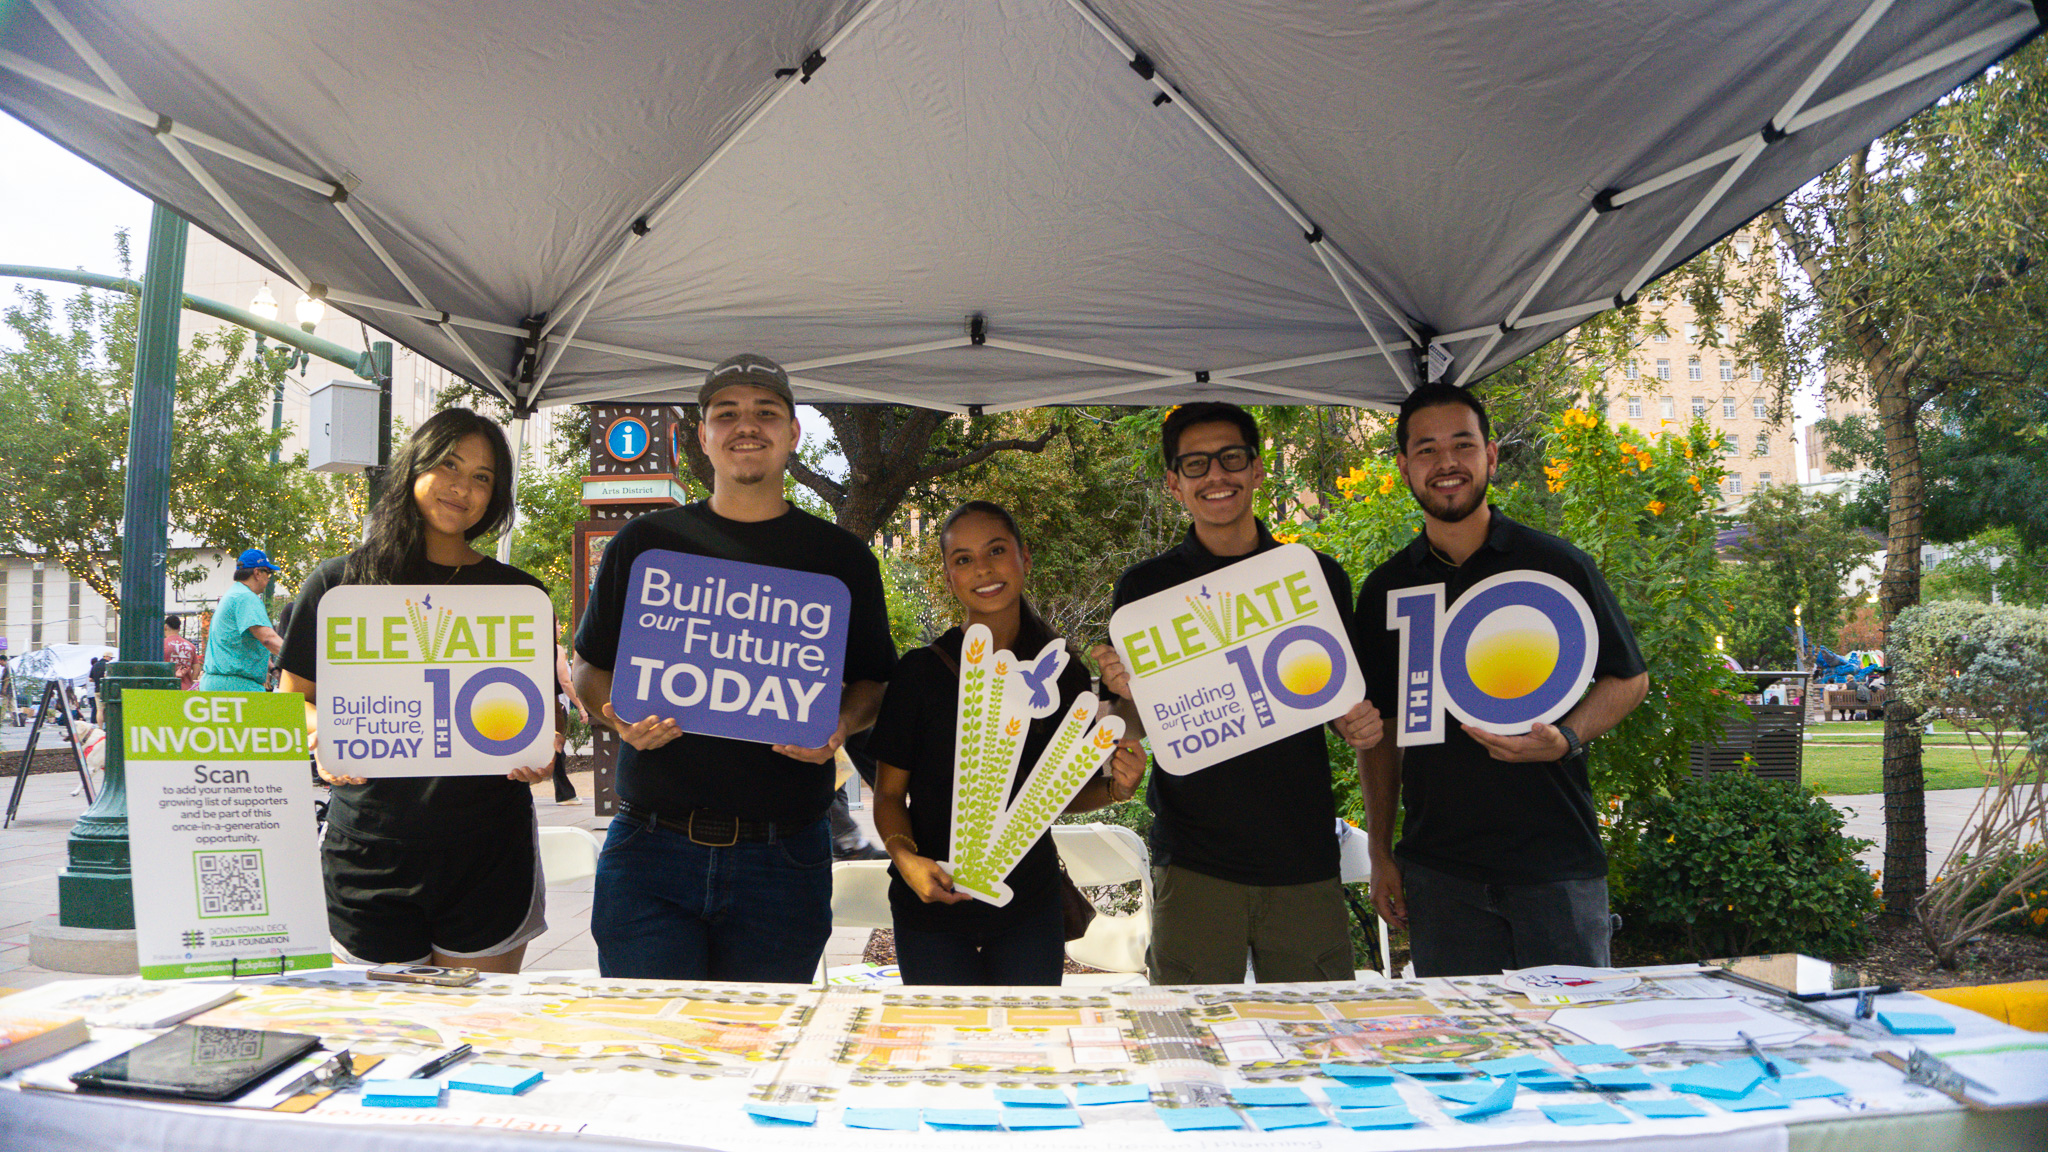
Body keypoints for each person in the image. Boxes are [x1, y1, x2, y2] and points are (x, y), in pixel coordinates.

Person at [573, 353, 897, 983]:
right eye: (727, 415)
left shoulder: (841, 557)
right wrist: (617, 717)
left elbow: (872, 684)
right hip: (650, 853)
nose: (747, 426)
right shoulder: (646, 543)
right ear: (703, 436)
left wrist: (837, 723)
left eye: (766, 412)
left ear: (794, 433)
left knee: (763, 1056)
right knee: (651, 1054)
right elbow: (590, 671)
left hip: (785, 857)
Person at [1354, 383, 1649, 977]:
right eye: (1427, 449)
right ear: (1404, 466)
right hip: (1440, 876)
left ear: (1490, 455)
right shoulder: (1388, 589)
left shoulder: (1557, 565)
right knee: (1469, 1059)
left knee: (1576, 1053)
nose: (1446, 464)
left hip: (1555, 867)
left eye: (1462, 445)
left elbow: (1628, 679)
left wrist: (1565, 736)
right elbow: (1382, 733)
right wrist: (1382, 854)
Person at [1090, 402, 1383, 984]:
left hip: (1302, 857)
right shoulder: (1146, 591)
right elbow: (1133, 724)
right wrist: (1126, 694)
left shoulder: (1314, 577)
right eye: (1196, 464)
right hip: (1195, 864)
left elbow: (1336, 701)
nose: (1215, 476)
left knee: (1316, 1040)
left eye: (1230, 458)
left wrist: (1357, 723)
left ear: (1256, 469)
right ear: (1174, 483)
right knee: (1192, 1051)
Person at [277, 408, 559, 974]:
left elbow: (544, 716)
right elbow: (291, 703)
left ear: (497, 495)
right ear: (413, 469)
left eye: (483, 477)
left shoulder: (519, 593)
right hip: (367, 852)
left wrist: (544, 751)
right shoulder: (338, 584)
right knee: (383, 1046)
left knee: (477, 1039)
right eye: (449, 465)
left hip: (490, 855)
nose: (462, 487)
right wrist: (322, 733)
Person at [869, 501, 1145, 986]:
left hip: (1028, 905)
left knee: (1027, 1046)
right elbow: (889, 795)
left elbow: (1054, 795)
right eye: (964, 559)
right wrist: (907, 861)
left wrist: (1117, 789)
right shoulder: (920, 674)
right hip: (929, 904)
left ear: (1024, 558)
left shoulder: (1063, 675)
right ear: (950, 577)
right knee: (946, 1051)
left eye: (996, 551)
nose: (983, 569)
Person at [197, 549, 285, 692]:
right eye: (268, 573)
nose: (269, 578)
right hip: (237, 686)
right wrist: (299, 663)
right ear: (257, 573)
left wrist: (273, 668)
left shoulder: (233, 595)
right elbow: (268, 639)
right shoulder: (246, 598)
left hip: (218, 683)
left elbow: (245, 645)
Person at [163, 615, 200, 690]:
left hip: (166, 687)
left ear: (165, 627)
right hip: (186, 688)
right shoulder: (190, 646)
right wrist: (191, 683)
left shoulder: (161, 645)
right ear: (179, 629)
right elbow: (197, 668)